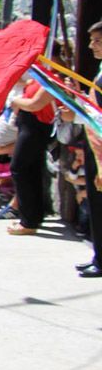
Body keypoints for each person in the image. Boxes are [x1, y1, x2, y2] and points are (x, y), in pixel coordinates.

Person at [6, 75, 56, 235]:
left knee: (19, 168)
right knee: (31, 169)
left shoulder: (55, 76)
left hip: (36, 126)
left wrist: (15, 101)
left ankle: (28, 221)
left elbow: (35, 104)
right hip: (29, 123)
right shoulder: (43, 75)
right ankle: (32, 217)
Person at [75, 21, 102, 277]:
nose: (91, 45)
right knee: (96, 203)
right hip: (95, 144)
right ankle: (98, 254)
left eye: (97, 41)